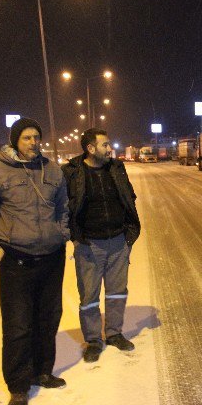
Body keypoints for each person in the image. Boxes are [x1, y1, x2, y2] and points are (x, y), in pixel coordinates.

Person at [0, 118, 70, 405]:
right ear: (15, 140)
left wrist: (62, 234)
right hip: (15, 259)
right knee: (18, 325)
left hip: (51, 258)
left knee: (48, 318)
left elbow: (64, 207)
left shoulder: (52, 170)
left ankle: (42, 371)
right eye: (27, 137)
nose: (33, 142)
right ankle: (18, 386)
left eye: (36, 137)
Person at [62, 128, 141, 363]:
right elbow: (64, 207)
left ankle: (114, 333)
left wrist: (129, 232)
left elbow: (129, 197)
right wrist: (75, 236)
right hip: (89, 245)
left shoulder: (116, 168)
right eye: (105, 145)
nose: (110, 149)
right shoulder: (72, 173)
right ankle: (94, 340)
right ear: (90, 148)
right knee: (89, 296)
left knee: (117, 292)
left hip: (118, 241)